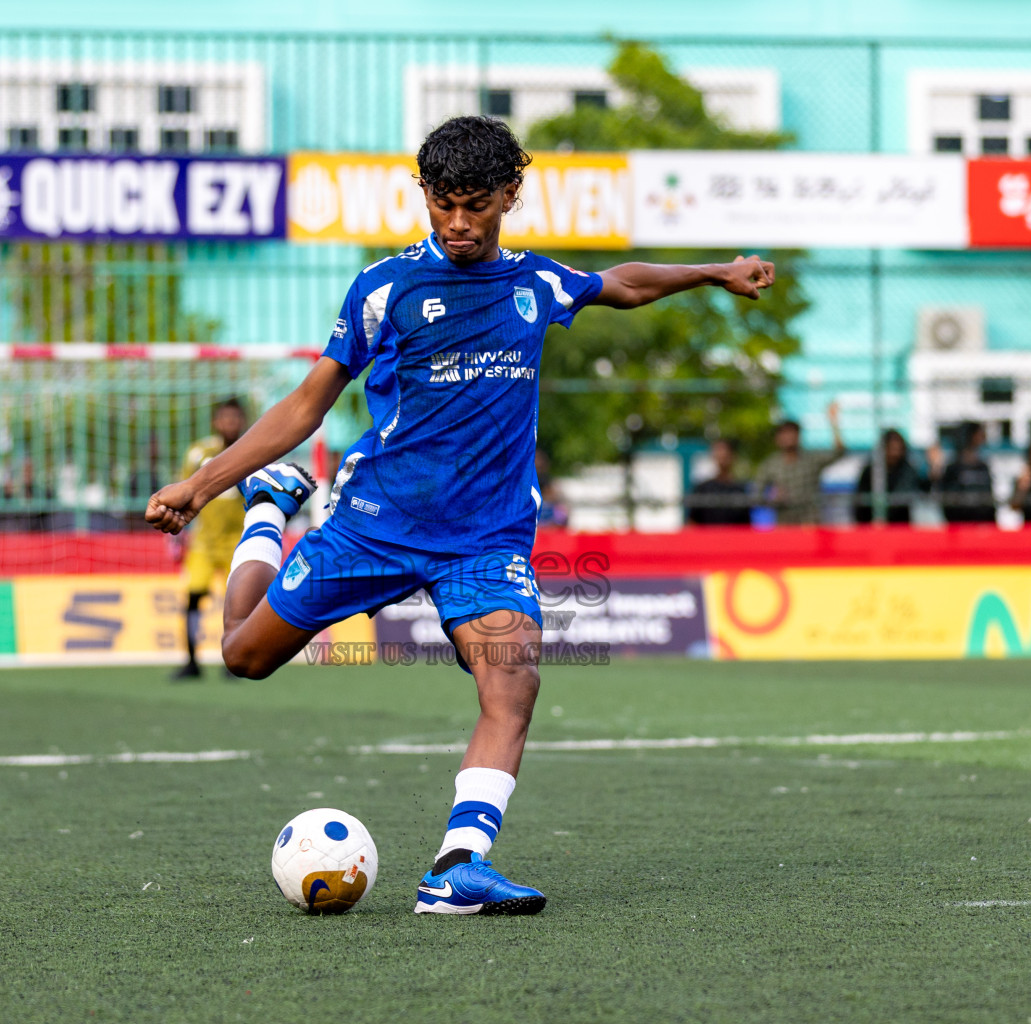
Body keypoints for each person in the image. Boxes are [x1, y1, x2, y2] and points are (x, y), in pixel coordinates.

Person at [146, 116, 775, 916]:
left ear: (510, 194)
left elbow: (623, 284)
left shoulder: (536, 284)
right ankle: (269, 511)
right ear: (425, 196)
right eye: (442, 203)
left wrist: (715, 272)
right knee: (244, 656)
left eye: (475, 203)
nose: (457, 222)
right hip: (375, 523)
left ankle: (458, 865)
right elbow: (310, 401)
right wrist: (205, 485)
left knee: (512, 679)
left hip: (484, 538)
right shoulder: (386, 289)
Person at [172, 398, 248, 680]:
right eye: (224, 418)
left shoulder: (253, 451)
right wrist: (176, 537)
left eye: (235, 418)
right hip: (203, 542)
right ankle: (191, 662)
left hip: (238, 543)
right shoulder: (199, 453)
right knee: (193, 598)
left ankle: (234, 662)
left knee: (238, 604)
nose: (229, 423)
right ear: (216, 422)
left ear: (241, 422)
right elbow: (181, 491)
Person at [751, 402, 844, 526]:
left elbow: (839, 452)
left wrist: (833, 422)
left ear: (799, 435)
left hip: (810, 523)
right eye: (783, 433)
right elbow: (756, 496)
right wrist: (772, 500)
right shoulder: (770, 465)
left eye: (792, 432)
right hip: (785, 525)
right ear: (777, 439)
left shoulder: (811, 459)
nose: (788, 437)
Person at [852, 428, 927, 525]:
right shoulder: (871, 471)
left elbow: (917, 491)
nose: (895, 454)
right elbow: (861, 501)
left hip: (900, 526)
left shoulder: (908, 471)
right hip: (871, 527)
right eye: (892, 449)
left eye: (898, 450)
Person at [930, 421, 998, 525]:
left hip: (984, 525)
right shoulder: (953, 468)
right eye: (979, 433)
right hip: (960, 526)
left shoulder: (983, 467)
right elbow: (947, 498)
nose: (983, 436)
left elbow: (989, 496)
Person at [684, 438, 751, 526]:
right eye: (718, 453)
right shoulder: (702, 489)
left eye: (725, 454)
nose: (722, 457)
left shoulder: (740, 489)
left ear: (733, 456)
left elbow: (746, 524)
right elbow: (692, 522)